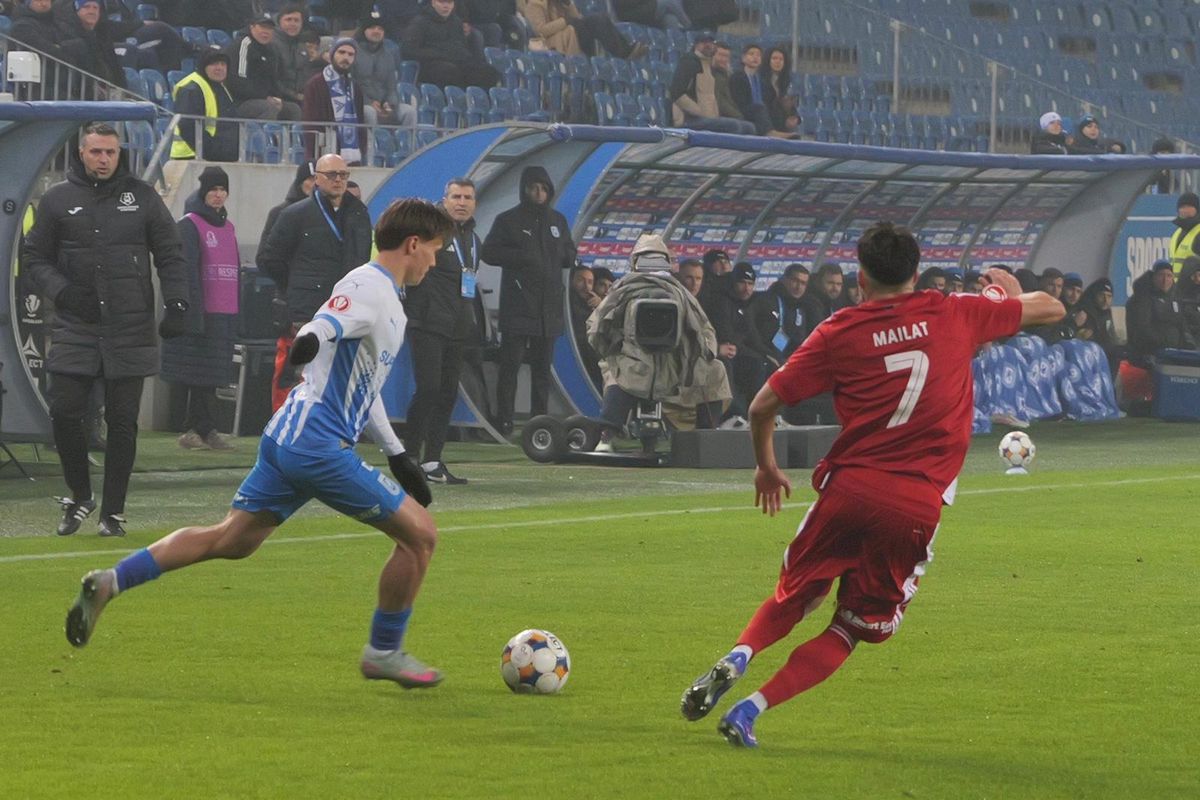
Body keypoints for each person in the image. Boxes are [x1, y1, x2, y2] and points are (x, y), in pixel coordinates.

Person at [679, 222, 1065, 748]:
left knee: (797, 593)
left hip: (849, 490)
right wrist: (1004, 293)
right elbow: (1050, 308)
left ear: (860, 278)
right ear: (916, 270)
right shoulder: (953, 311)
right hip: (914, 504)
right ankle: (750, 709)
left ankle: (739, 655)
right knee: (851, 627)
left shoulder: (839, 331)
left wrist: (767, 466)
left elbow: (762, 405)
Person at [63, 199, 453, 693]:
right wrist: (310, 338)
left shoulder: (387, 297)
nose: (434, 262)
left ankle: (111, 580)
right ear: (413, 244)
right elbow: (325, 325)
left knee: (232, 540)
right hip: (316, 445)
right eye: (435, 251)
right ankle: (383, 651)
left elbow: (363, 385)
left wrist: (397, 454)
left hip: (290, 437)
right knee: (420, 536)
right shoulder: (369, 286)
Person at [23, 123, 188, 538]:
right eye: (96, 151)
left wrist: (178, 301)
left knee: (122, 422)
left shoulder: (142, 196)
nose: (103, 159)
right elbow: (34, 257)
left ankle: (112, 511)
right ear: (82, 153)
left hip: (129, 327)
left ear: (120, 154)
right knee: (64, 413)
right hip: (75, 325)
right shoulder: (58, 199)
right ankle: (80, 495)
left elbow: (170, 252)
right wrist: (62, 292)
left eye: (110, 152)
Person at [258, 154, 374, 411]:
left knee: (335, 378)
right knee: (297, 375)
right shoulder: (294, 214)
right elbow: (269, 259)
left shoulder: (359, 213)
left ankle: (325, 439)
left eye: (343, 175)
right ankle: (284, 434)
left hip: (345, 309)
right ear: (317, 179)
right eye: (332, 175)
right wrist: (297, 286)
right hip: (305, 310)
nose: (338, 180)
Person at [480, 166, 577, 436]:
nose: (539, 193)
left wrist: (567, 257)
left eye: (544, 188)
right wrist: (522, 258)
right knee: (509, 368)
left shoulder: (557, 220)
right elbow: (489, 252)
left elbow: (570, 250)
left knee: (542, 371)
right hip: (519, 307)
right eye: (534, 187)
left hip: (549, 310)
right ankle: (505, 421)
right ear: (524, 189)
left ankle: (539, 422)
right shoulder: (508, 220)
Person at [403, 179, 484, 486]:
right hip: (427, 323)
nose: (461, 202)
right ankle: (409, 457)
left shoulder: (474, 238)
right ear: (445, 200)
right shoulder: (428, 232)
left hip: (458, 326)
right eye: (456, 197)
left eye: (467, 197)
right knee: (428, 389)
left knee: (448, 392)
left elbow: (469, 284)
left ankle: (432, 460)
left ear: (474, 203)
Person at [161, 167, 239, 451]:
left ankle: (206, 429)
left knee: (213, 375)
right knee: (196, 375)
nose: (218, 195)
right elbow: (186, 271)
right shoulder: (189, 224)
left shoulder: (228, 227)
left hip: (225, 313)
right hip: (203, 312)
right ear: (203, 191)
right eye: (213, 189)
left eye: (222, 190)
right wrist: (191, 312)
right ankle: (195, 429)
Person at [403, 0, 501, 90]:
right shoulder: (420, 22)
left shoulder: (456, 21)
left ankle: (478, 103)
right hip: (431, 64)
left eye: (449, 3)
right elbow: (409, 50)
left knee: (488, 72)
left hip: (456, 61)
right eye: (442, 2)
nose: (446, 6)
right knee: (450, 72)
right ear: (433, 3)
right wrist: (439, 53)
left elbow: (461, 46)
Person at [670, 34, 756, 135]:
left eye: (711, 42)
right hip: (688, 120)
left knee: (749, 127)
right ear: (696, 45)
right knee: (735, 126)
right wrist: (700, 112)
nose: (708, 45)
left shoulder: (707, 65)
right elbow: (677, 94)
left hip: (708, 118)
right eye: (703, 42)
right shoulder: (689, 61)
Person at [303, 38, 370, 164]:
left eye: (351, 54)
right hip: (322, 152)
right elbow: (309, 120)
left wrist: (362, 147)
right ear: (332, 54)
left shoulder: (355, 87)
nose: (346, 57)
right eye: (342, 52)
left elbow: (360, 121)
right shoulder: (316, 83)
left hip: (351, 154)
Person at [227, 13, 303, 121]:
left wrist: (282, 98)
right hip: (239, 101)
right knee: (268, 108)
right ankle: (261, 138)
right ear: (252, 27)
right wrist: (266, 97)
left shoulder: (271, 49)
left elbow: (274, 81)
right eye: (262, 27)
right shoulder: (244, 45)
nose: (266, 31)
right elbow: (238, 81)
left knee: (294, 109)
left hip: (264, 98)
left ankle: (288, 138)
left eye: (270, 28)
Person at [170, 48, 240, 162]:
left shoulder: (221, 87)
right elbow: (188, 126)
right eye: (214, 64)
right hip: (192, 158)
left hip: (217, 158)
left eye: (223, 64)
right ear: (203, 66)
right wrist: (212, 153)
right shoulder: (192, 88)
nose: (219, 68)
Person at [519, 0, 648, 60]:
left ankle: (625, 51)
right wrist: (565, 21)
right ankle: (624, 53)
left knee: (601, 19)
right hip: (555, 41)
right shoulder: (535, 4)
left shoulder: (559, 3)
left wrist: (568, 4)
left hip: (572, 31)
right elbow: (540, 30)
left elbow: (577, 17)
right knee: (597, 20)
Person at [355, 12, 417, 127]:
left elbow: (391, 86)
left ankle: (407, 144)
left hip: (384, 104)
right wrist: (368, 102)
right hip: (360, 104)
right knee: (369, 111)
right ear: (364, 31)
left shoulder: (388, 55)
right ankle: (369, 144)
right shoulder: (353, 52)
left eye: (380, 29)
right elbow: (351, 85)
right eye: (372, 28)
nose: (377, 31)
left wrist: (390, 104)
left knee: (409, 111)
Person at [1126, 260, 1193, 365]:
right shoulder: (1142, 298)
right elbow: (1142, 329)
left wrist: (1189, 343)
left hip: (1174, 352)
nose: (1165, 280)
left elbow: (1182, 324)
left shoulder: (1175, 298)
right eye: (1161, 275)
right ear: (1153, 277)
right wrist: (1165, 344)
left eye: (1169, 276)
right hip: (1149, 353)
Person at [748, 263, 809, 367]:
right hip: (761, 356)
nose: (798, 287)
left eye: (803, 283)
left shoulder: (800, 309)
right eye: (795, 281)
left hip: (783, 360)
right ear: (784, 280)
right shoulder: (764, 300)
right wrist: (769, 355)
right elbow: (752, 333)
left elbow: (798, 342)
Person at [270, 4, 310, 106]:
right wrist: (295, 96)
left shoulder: (302, 47)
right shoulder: (271, 44)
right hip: (278, 96)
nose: (293, 24)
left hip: (299, 97)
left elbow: (306, 76)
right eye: (288, 20)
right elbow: (273, 79)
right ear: (279, 22)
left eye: (296, 20)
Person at [761, 45, 799, 134]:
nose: (778, 62)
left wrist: (795, 118)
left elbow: (791, 108)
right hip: (767, 118)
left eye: (781, 59)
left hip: (780, 119)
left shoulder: (785, 82)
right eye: (774, 58)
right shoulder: (761, 79)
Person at [1169, 193, 1200, 276]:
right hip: (1178, 287)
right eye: (1182, 207)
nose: (1185, 210)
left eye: (1189, 206)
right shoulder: (1177, 233)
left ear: (1197, 209)